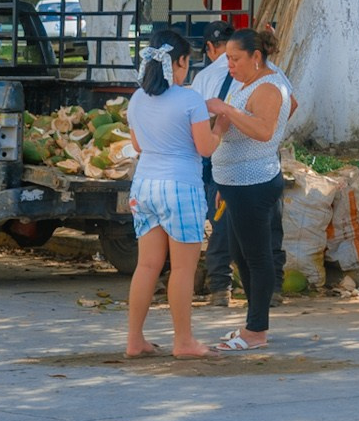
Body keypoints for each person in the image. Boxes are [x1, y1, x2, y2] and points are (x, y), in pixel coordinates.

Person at [123, 28, 220, 359]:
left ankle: (135, 340)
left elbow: (137, 145)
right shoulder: (190, 99)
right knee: (182, 269)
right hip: (180, 187)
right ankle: (184, 342)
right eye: (186, 63)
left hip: (144, 186)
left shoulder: (137, 98)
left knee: (147, 266)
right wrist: (222, 124)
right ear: (178, 62)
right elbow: (205, 148)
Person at [204, 27, 293, 351]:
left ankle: (257, 331)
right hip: (235, 182)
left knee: (256, 257)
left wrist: (227, 110)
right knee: (242, 255)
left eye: (235, 58)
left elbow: (266, 130)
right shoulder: (252, 83)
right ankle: (251, 325)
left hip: (253, 182)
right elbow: (290, 105)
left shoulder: (268, 87)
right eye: (227, 58)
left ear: (256, 57)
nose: (230, 64)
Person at [190, 21, 236, 303]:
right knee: (261, 224)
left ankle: (220, 286)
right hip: (258, 159)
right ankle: (272, 290)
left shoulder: (203, 78)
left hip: (218, 158)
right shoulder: (262, 74)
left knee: (220, 220)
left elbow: (194, 123)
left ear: (209, 48)